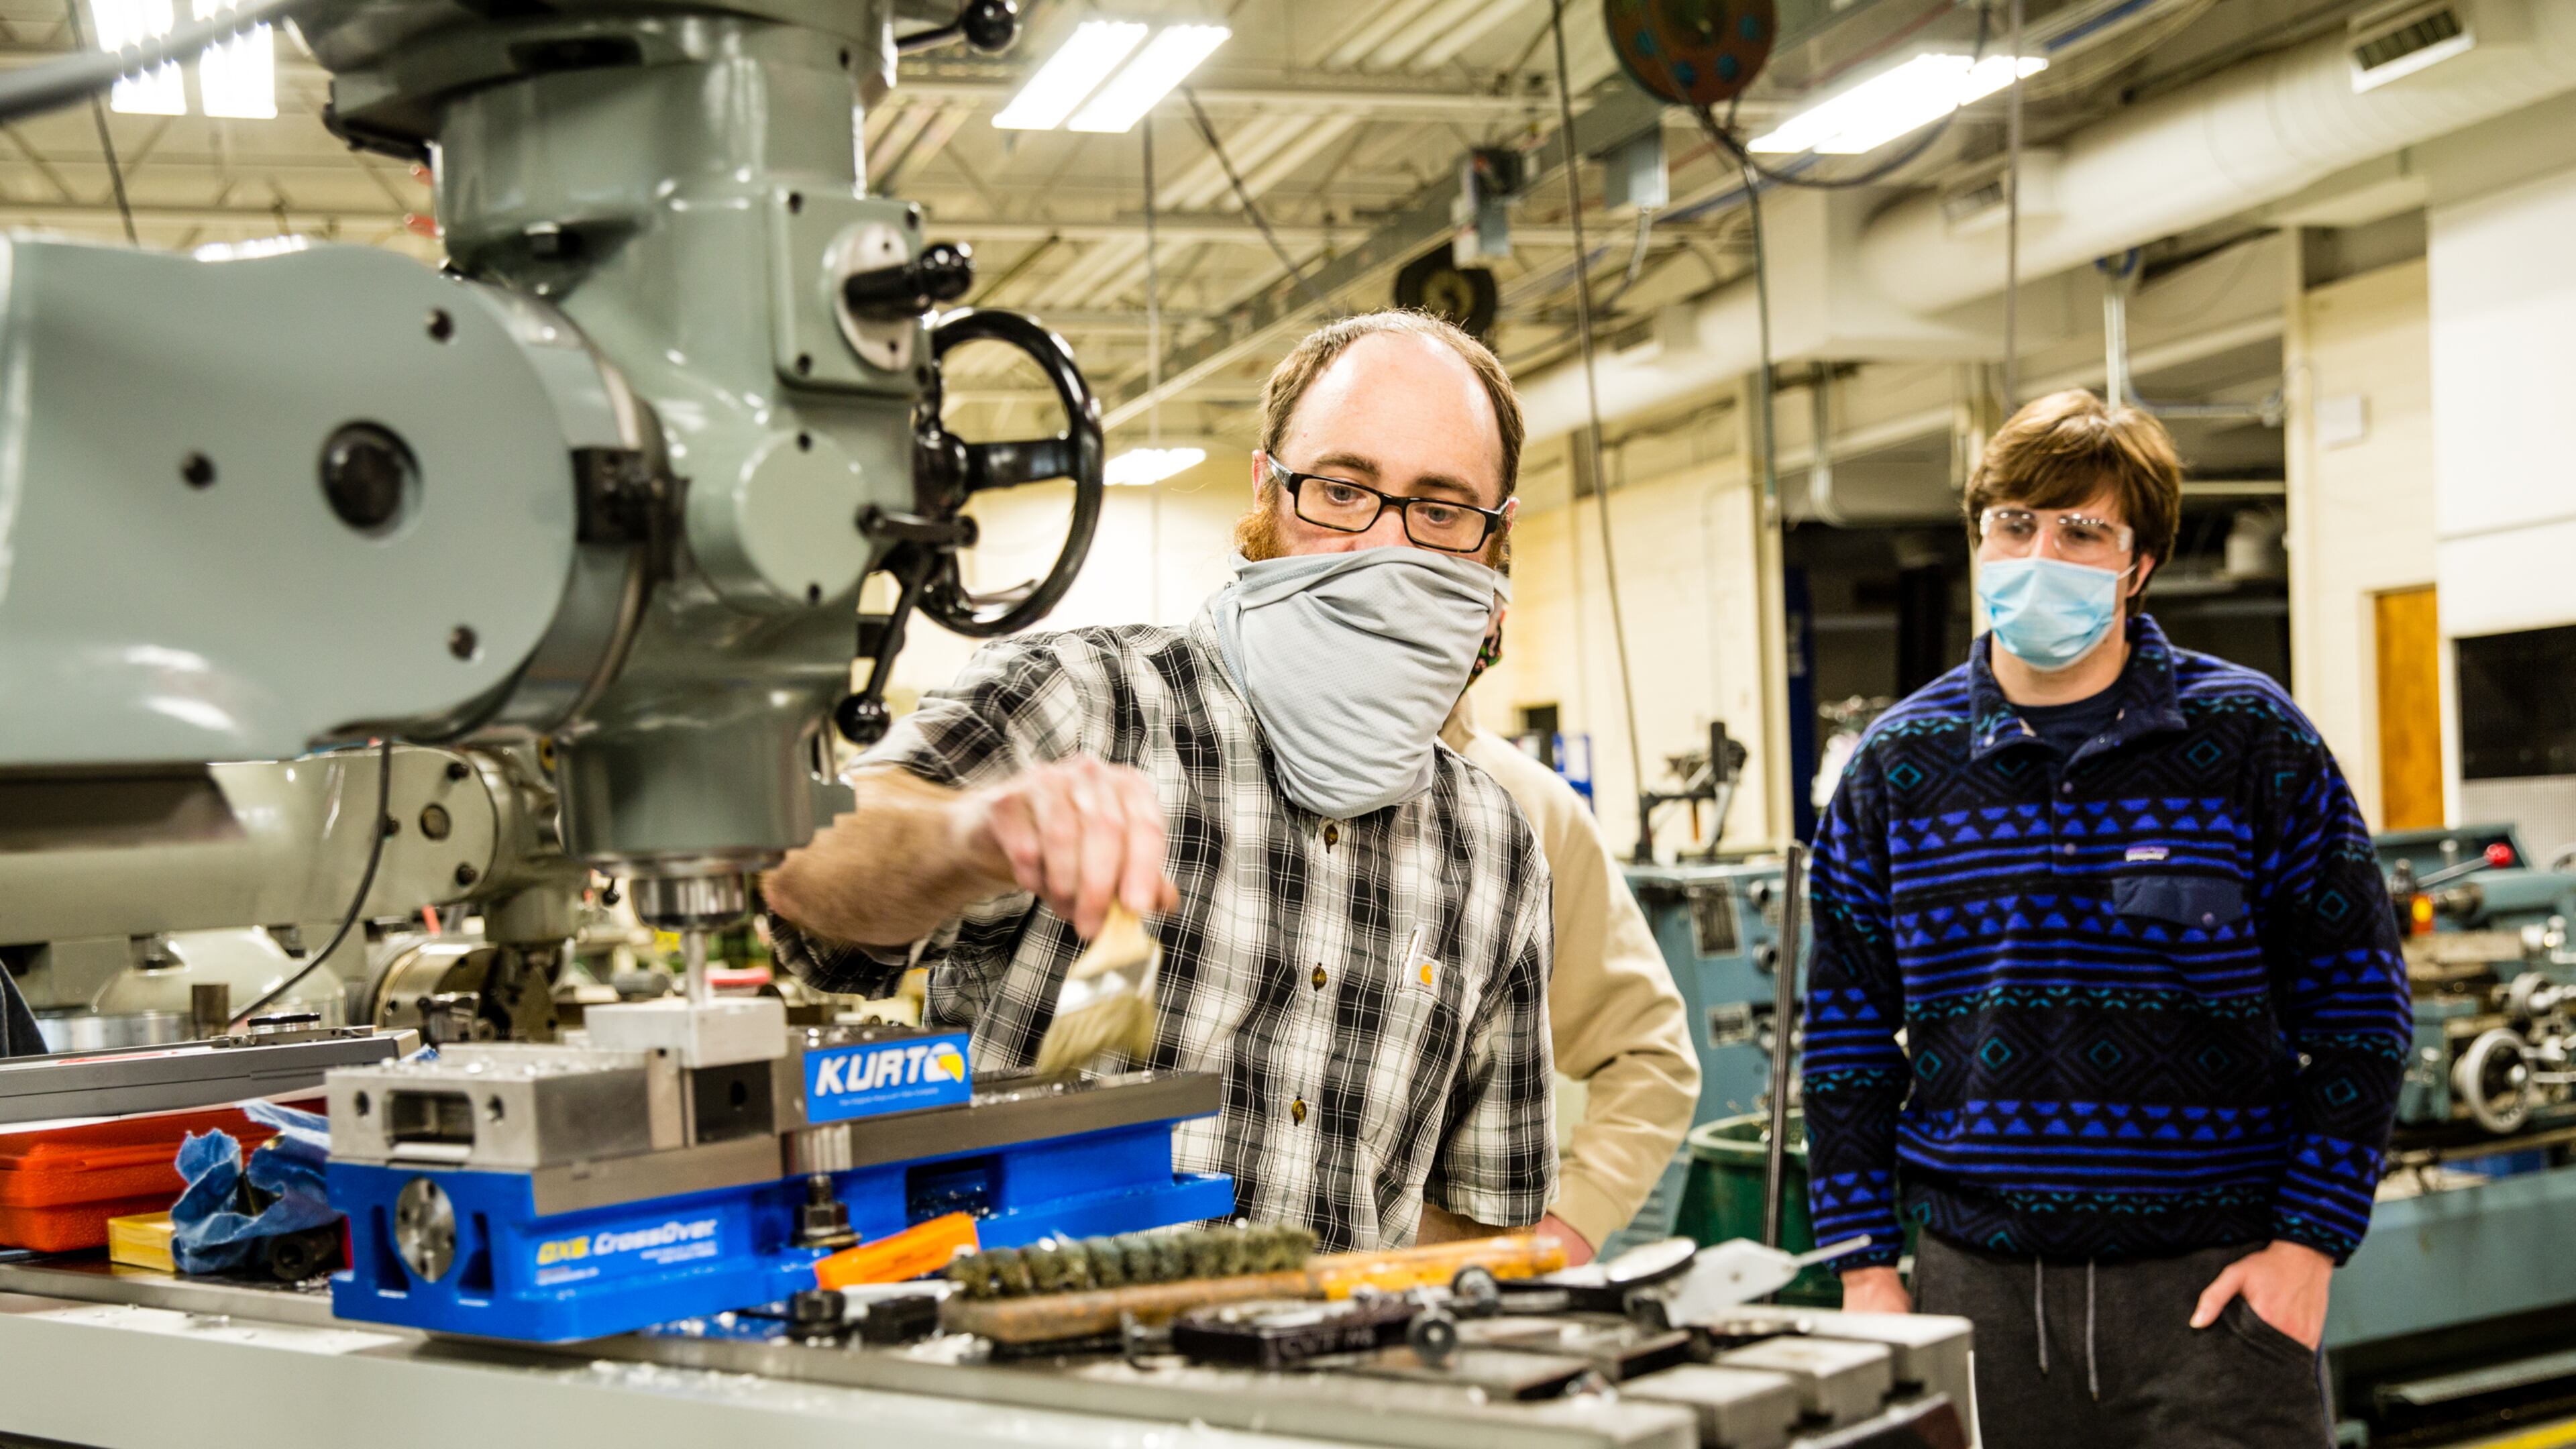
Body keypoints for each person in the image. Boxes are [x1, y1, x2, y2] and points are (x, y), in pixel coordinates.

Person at [763, 310, 1555, 1253]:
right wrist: (976, 832)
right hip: (1037, 1378)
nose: (1384, 547)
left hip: (1326, 1384)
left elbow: (1468, 1223)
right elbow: (809, 879)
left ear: (1495, 540)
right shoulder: (1084, 705)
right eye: (1341, 490)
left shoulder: (1493, 847)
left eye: (1440, 509)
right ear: (1267, 491)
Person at [1802, 390, 2408, 1445]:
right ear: (1979, 536)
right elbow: (1848, 1038)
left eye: (2083, 531)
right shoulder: (1898, 766)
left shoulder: (2254, 740)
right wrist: (1864, 1270)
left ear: (2138, 566)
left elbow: (2361, 1014)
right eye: (2015, 524)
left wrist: (2309, 1246)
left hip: (2213, 1302)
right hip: (1975, 1296)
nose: (2042, 552)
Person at [1439, 629, 1700, 1266]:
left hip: (1452, 1289)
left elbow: (1650, 1056)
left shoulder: (1526, 808)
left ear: (1496, 622)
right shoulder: (1202, 767)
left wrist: (1575, 1221)